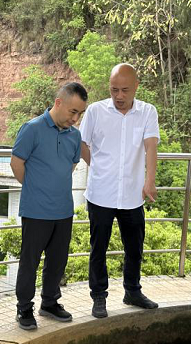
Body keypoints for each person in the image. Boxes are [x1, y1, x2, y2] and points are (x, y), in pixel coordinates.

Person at [79, 63, 160, 319]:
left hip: (132, 194)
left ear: (136, 86)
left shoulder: (148, 112)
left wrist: (150, 180)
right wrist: (98, 166)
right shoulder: (95, 111)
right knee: (98, 248)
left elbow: (151, 147)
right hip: (100, 193)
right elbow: (82, 143)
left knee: (134, 247)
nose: (119, 96)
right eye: (114, 90)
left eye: (125, 90)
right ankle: (98, 296)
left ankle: (132, 291)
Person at [11, 83, 88, 330]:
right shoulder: (32, 129)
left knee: (57, 261)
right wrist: (36, 188)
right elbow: (16, 164)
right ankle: (24, 308)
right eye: (73, 112)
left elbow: (71, 166)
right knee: (30, 262)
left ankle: (50, 302)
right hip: (35, 210)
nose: (75, 119)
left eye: (79, 114)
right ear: (58, 103)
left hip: (63, 210)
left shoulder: (74, 136)